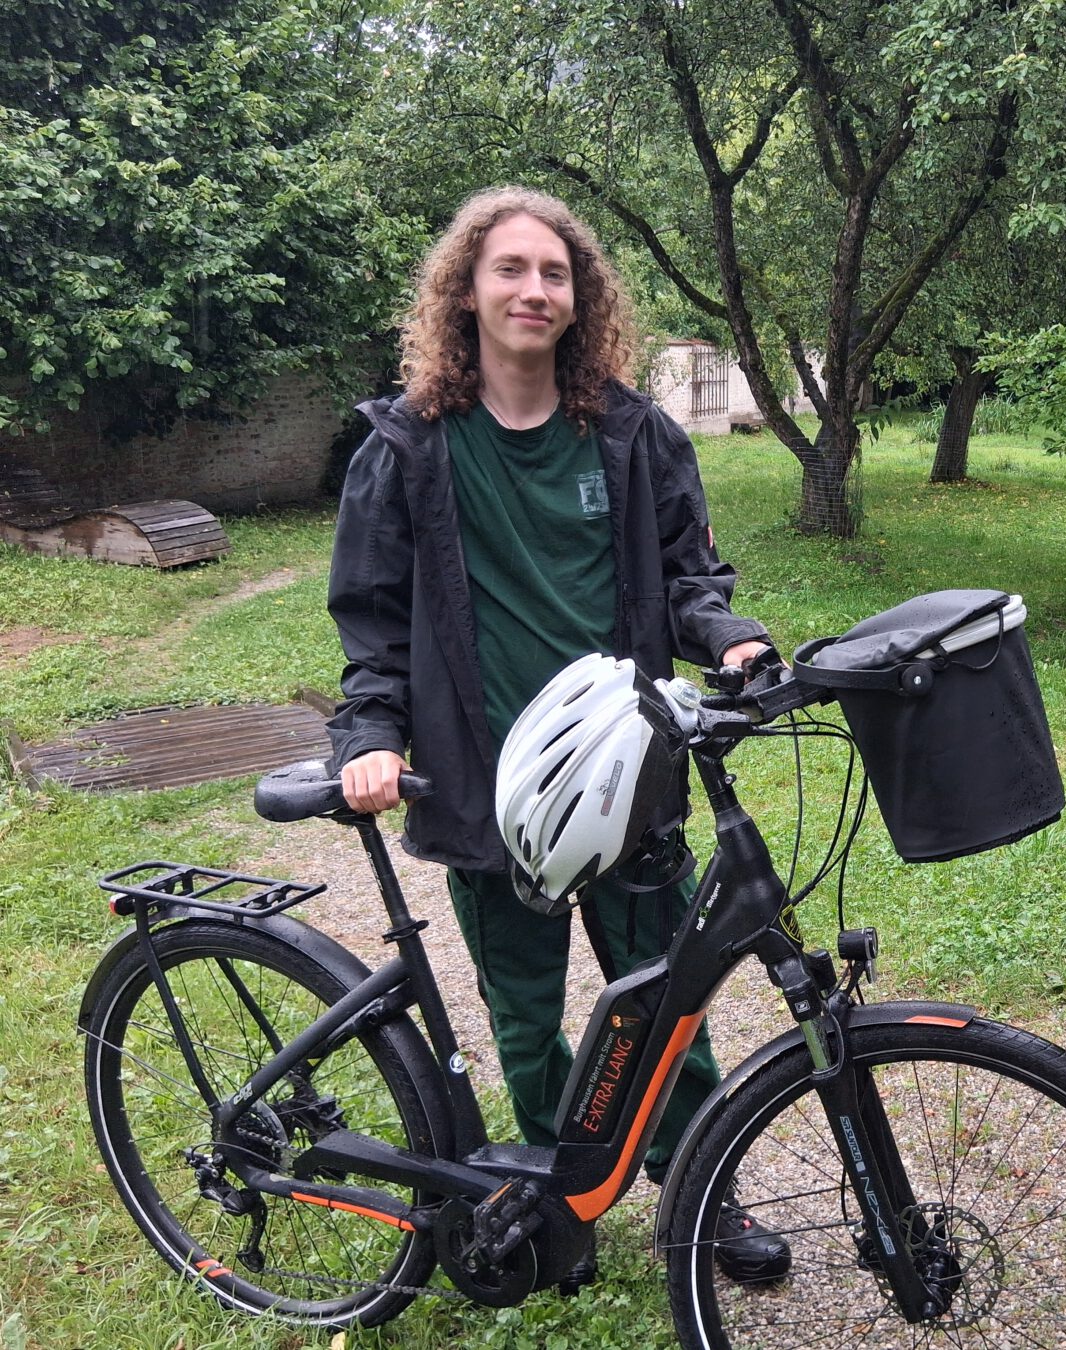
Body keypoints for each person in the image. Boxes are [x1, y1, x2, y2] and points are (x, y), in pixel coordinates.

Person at [325, 185, 789, 1284]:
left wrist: (725, 637)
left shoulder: (629, 435)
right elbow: (374, 620)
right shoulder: (409, 448)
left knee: (667, 1000)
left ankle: (699, 1189)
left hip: (627, 775)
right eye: (510, 269)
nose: (534, 289)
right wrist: (370, 734)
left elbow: (689, 576)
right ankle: (552, 1202)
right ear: (466, 293)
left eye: (554, 273)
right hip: (489, 788)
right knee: (525, 1015)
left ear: (581, 298)